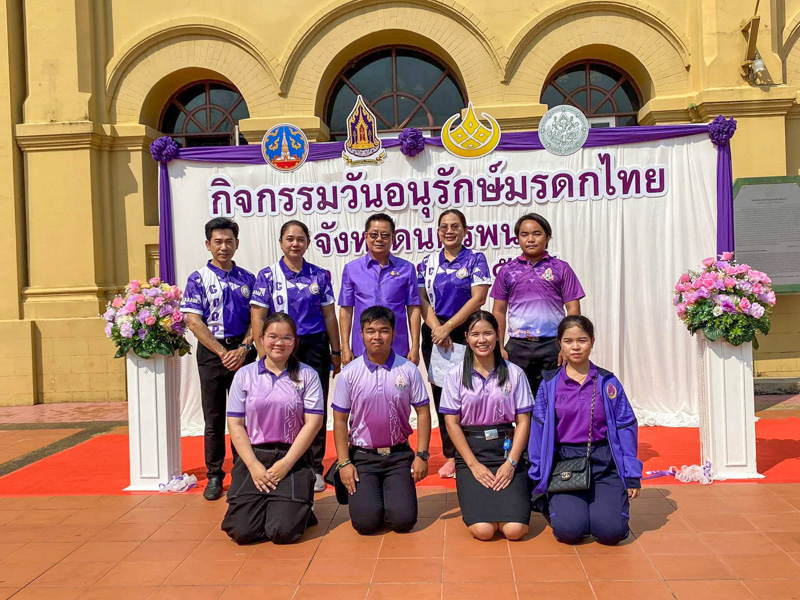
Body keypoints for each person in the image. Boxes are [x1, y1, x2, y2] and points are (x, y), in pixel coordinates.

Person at [528, 315, 642, 545]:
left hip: (603, 462)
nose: (576, 347)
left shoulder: (607, 382)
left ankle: (605, 508)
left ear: (592, 341)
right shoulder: (549, 384)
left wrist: (631, 474)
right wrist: (538, 475)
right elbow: (538, 431)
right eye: (568, 341)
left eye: (582, 340)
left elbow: (625, 427)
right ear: (559, 344)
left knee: (611, 533)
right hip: (564, 464)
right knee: (569, 532)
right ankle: (575, 511)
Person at [250, 220, 342, 492]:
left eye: (300, 239)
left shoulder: (319, 276)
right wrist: (262, 352)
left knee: (314, 408)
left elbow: (329, 315)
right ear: (281, 242)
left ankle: (314, 468)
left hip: (314, 346)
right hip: (279, 347)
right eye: (290, 239)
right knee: (284, 404)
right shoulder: (267, 276)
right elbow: (258, 316)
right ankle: (284, 462)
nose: (295, 244)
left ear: (308, 243)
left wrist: (335, 351)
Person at [221, 313, 324, 544]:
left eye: (287, 337)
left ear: (295, 341)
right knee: (241, 531)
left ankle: (298, 508)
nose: (279, 343)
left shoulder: (308, 375)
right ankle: (275, 504)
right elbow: (235, 424)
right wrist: (254, 466)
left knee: (283, 532)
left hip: (292, 457)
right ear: (261, 338)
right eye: (273, 337)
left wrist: (286, 463)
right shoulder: (244, 375)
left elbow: (313, 423)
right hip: (254, 456)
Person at [332, 306, 432, 534]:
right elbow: (339, 421)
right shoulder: (349, 373)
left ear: (394, 334)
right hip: (363, 458)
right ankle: (370, 499)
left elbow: (424, 413)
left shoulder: (408, 369)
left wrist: (422, 455)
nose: (377, 336)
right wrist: (344, 463)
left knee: (403, 522)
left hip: (398, 456)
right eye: (370, 331)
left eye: (383, 330)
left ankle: (391, 497)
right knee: (366, 525)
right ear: (361, 335)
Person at [182, 217, 257, 501]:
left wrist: (243, 348)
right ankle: (215, 475)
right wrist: (222, 352)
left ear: (237, 244)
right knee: (213, 418)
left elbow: (257, 318)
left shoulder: (248, 279)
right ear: (208, 244)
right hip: (213, 355)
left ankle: (243, 471)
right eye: (218, 242)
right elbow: (193, 320)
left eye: (229, 241)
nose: (224, 247)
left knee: (245, 416)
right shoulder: (198, 278)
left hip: (243, 355)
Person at [441, 311, 533, 541]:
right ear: (467, 337)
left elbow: (523, 421)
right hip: (471, 453)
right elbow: (451, 423)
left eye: (488, 333)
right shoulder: (454, 376)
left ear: (498, 335)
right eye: (475, 334)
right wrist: (472, 465)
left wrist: (511, 462)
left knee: (514, 530)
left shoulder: (515, 373)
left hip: (506, 450)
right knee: (483, 530)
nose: (482, 340)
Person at [418, 209, 491, 479]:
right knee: (443, 394)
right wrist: (437, 328)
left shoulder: (475, 259)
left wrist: (449, 327)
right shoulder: (427, 263)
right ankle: (451, 454)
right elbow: (421, 300)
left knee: (474, 390)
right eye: (444, 227)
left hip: (467, 332)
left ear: (465, 230)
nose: (449, 231)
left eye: (455, 226)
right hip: (435, 334)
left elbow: (478, 299)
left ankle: (475, 448)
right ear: (438, 232)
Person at [490, 213, 584, 396]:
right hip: (517, 347)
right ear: (517, 238)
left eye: (537, 233)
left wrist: (567, 345)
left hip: (552, 347)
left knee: (553, 398)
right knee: (519, 400)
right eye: (524, 234)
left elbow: (573, 309)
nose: (530, 239)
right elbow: (498, 311)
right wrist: (499, 347)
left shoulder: (561, 268)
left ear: (547, 237)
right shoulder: (507, 271)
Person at [339, 213, 421, 366]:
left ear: (393, 238)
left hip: (397, 347)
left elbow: (414, 308)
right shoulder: (352, 269)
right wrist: (345, 346)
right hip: (361, 347)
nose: (379, 239)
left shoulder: (406, 269)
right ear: (365, 236)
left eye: (385, 235)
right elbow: (346, 309)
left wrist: (416, 345)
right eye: (374, 234)